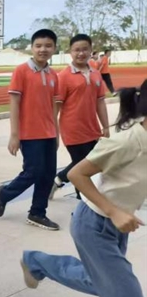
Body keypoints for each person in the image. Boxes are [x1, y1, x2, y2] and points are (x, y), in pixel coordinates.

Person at [21, 79, 147, 297]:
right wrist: (114, 211)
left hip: (116, 227)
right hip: (94, 224)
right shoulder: (127, 141)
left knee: (97, 280)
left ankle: (35, 262)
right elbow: (76, 174)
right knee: (127, 294)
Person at [0, 29, 61, 231]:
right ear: (31, 48)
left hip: (49, 133)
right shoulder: (21, 71)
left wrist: (56, 133)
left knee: (48, 174)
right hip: (29, 133)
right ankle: (5, 194)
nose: (43, 49)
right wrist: (14, 135)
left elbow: (53, 107)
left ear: (54, 48)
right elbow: (14, 102)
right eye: (38, 46)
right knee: (33, 172)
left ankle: (37, 213)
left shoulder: (53, 75)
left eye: (48, 46)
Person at [51, 34, 110, 200]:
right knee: (83, 167)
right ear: (70, 52)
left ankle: (58, 179)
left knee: (91, 163)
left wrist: (105, 126)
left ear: (91, 50)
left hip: (92, 129)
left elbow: (100, 102)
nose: (81, 53)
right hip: (73, 130)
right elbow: (56, 107)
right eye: (77, 50)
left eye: (85, 49)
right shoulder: (64, 76)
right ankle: (83, 202)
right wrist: (54, 132)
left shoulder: (96, 74)